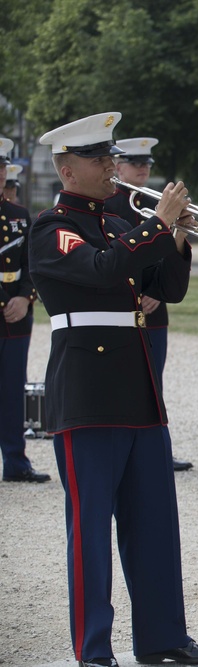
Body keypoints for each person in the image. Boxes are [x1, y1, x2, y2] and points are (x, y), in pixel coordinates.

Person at [31, 112, 198, 667]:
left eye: (111, 157)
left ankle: (164, 638)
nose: (112, 166)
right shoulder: (52, 226)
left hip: (137, 388)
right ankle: (94, 650)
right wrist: (156, 225)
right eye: (99, 160)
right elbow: (101, 270)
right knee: (91, 531)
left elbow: (170, 287)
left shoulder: (118, 220)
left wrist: (180, 233)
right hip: (87, 392)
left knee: (155, 524)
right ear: (67, 170)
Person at [104, 137, 192, 472]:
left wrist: (157, 288)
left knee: (154, 382)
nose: (143, 169)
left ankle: (156, 451)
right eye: (136, 163)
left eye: (147, 164)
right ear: (119, 166)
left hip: (155, 309)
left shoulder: (156, 202)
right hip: (122, 305)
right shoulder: (109, 205)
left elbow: (166, 257)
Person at [0, 137, 50, 484]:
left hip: (15, 319)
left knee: (12, 392)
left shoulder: (19, 215)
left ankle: (15, 462)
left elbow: (33, 263)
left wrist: (25, 296)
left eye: (1, 167)